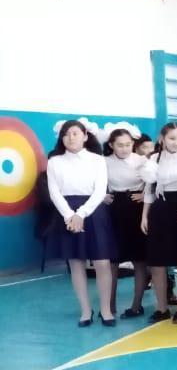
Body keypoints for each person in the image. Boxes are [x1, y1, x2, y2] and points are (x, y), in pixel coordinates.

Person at [46, 120, 118, 326]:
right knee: (76, 263)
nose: (71, 137)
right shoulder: (54, 161)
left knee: (102, 262)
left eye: (75, 133)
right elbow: (54, 192)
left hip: (94, 211)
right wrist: (70, 215)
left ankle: (106, 310)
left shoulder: (97, 160)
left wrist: (81, 214)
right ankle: (86, 311)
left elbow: (100, 190)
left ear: (85, 136)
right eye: (66, 134)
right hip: (67, 213)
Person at [141, 123, 177, 322]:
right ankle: (161, 307)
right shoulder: (154, 158)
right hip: (160, 209)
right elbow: (149, 190)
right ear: (162, 139)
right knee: (157, 261)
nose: (176, 142)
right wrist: (145, 215)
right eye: (172, 138)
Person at [102, 126, 148, 318]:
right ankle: (109, 306)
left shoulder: (142, 161)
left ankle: (136, 306)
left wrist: (146, 194)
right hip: (114, 208)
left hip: (137, 208)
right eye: (120, 145)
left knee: (139, 260)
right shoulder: (104, 162)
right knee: (112, 261)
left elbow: (155, 183)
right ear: (111, 145)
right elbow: (95, 183)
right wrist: (103, 196)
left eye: (128, 144)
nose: (124, 148)